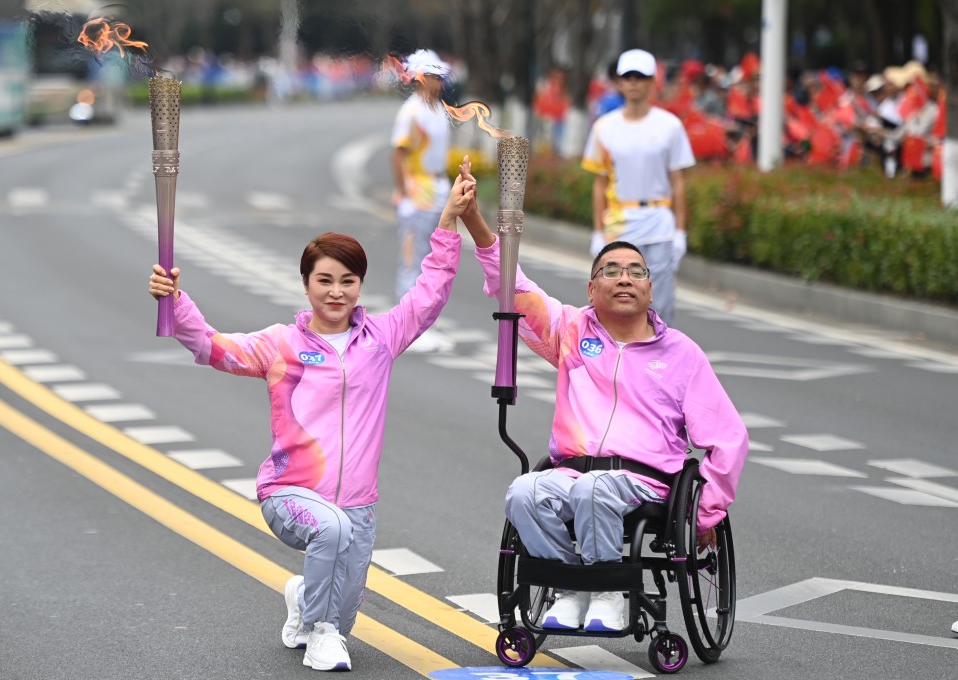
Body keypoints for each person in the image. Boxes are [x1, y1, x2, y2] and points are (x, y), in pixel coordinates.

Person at [147, 163, 479, 671]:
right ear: (306, 285)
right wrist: (176, 301)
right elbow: (214, 347)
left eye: (347, 281)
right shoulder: (281, 345)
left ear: (359, 286)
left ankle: (309, 599)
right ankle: (321, 631)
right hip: (290, 494)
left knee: (347, 609)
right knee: (330, 548)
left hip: (358, 506)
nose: (336, 291)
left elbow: (429, 294)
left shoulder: (381, 340)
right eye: (324, 280)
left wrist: (449, 221)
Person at [454, 172, 748, 631]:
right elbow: (514, 286)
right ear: (592, 290)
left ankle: (611, 594)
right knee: (524, 493)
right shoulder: (571, 331)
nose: (624, 278)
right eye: (610, 271)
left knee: (596, 490)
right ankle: (572, 590)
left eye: (636, 271)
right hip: (571, 473)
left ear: (651, 289)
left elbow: (728, 438)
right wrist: (474, 220)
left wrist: (705, 510)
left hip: (645, 481)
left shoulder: (682, 355)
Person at [582, 48, 695, 325]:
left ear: (652, 82)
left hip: (658, 224)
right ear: (619, 82)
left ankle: (661, 364)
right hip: (619, 225)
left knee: (661, 307)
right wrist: (597, 231)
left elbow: (678, 182)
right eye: (628, 77)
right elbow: (600, 184)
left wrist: (680, 232)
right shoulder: (604, 128)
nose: (633, 83)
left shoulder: (670, 126)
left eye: (640, 77)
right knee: (612, 303)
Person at [391, 49, 452, 301]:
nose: (441, 82)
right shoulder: (411, 112)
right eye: (435, 77)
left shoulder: (439, 110)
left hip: (439, 185)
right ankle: (406, 316)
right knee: (413, 256)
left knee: (436, 257)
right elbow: (398, 153)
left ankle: (425, 317)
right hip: (418, 188)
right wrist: (405, 194)